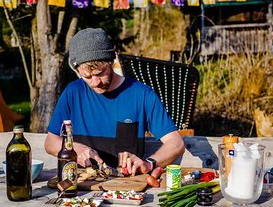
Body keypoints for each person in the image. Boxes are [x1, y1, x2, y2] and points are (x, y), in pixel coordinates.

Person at [45, 28, 185, 176]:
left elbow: (176, 143)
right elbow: (50, 142)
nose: (95, 82)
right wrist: (74, 148)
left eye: (100, 74)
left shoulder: (142, 94)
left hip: (126, 186)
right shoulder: (73, 92)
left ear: (111, 62)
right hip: (82, 185)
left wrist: (148, 163)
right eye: (87, 77)